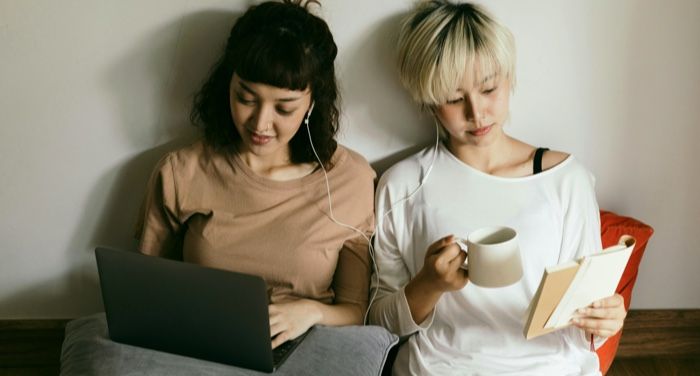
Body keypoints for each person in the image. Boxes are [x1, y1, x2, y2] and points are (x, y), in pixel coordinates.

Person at [368, 1, 626, 375]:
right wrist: (429, 284)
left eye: (489, 88)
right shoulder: (403, 185)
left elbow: (584, 323)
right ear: (427, 100)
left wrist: (604, 320)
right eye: (455, 99)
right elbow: (380, 326)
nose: (477, 113)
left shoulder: (566, 180)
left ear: (509, 78)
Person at [136, 0, 375, 351]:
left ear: (311, 103)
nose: (261, 124)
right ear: (227, 86)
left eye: (284, 108)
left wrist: (308, 313)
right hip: (200, 345)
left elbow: (355, 311)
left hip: (307, 349)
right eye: (246, 98)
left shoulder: (349, 180)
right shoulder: (182, 171)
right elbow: (145, 291)